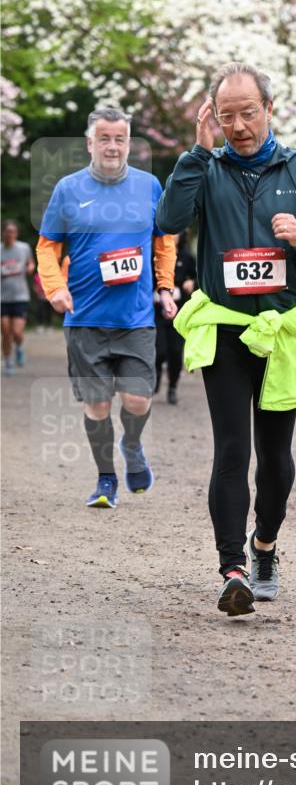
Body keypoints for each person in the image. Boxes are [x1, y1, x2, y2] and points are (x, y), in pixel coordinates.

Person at [157, 61, 296, 616]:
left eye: (248, 113)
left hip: (282, 332)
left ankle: (264, 545)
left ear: (270, 109)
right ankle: (232, 569)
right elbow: (168, 218)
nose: (239, 125)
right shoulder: (207, 167)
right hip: (225, 327)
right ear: (213, 118)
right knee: (231, 451)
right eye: (227, 116)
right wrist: (196, 153)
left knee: (275, 457)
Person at [36, 107, 177, 509]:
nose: (113, 146)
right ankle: (105, 478)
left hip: (135, 319)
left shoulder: (150, 186)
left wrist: (165, 287)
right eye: (105, 138)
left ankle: (131, 445)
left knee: (137, 400)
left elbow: (164, 242)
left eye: (120, 139)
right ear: (90, 143)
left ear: (129, 143)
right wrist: (55, 289)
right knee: (97, 406)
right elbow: (47, 247)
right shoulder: (68, 189)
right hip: (84, 319)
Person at [154, 231, 197, 404]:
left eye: (176, 232)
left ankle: (172, 387)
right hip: (155, 310)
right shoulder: (154, 255)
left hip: (179, 312)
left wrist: (192, 283)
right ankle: (155, 377)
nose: (173, 235)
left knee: (175, 351)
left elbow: (201, 276)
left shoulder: (187, 257)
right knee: (159, 349)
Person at [1, 220, 35, 373]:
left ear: (16, 234)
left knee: (17, 332)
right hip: (2, 297)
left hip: (20, 296)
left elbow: (31, 263)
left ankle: (19, 347)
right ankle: (8, 361)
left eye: (13, 232)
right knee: (5, 332)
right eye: (7, 232)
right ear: (3, 233)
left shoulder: (24, 248)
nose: (10, 235)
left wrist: (30, 268)